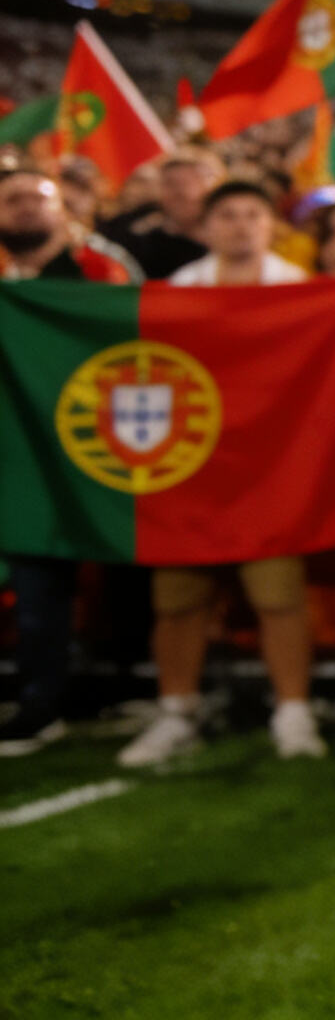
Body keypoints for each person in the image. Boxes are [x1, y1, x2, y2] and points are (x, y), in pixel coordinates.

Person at [119, 182, 326, 765]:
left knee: (279, 596)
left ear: (271, 225)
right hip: (190, 472)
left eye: (252, 214)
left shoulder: (301, 291)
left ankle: (293, 712)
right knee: (177, 600)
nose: (240, 225)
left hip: (271, 471)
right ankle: (176, 710)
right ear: (206, 227)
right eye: (227, 216)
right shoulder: (176, 292)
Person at [0, 165, 131, 756]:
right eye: (12, 199)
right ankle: (40, 700)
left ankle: (108, 689)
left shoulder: (102, 272)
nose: (25, 207)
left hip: (93, 447)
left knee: (112, 579)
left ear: (65, 210)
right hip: (17, 458)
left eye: (37, 197)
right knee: (34, 588)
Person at [104, 147, 222, 279]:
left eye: (187, 183)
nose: (180, 193)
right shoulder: (138, 241)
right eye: (170, 183)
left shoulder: (230, 243)